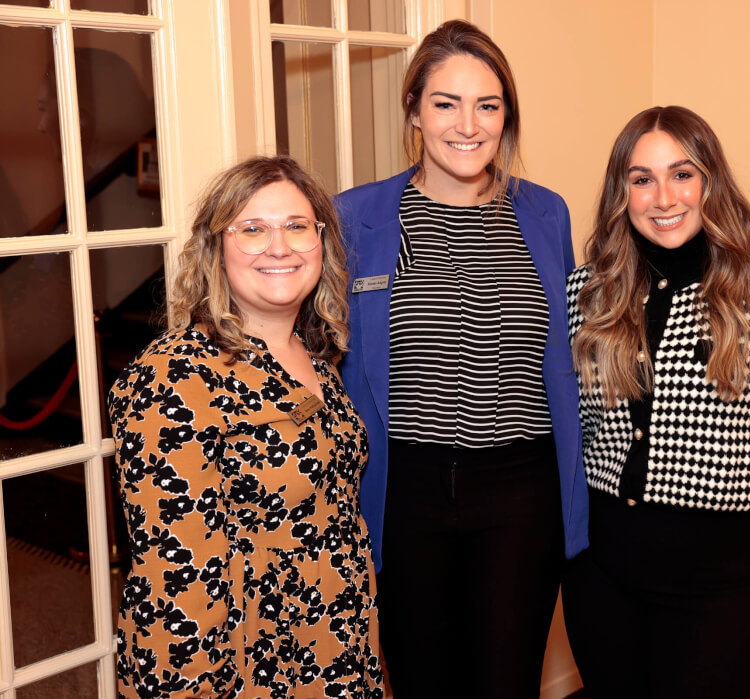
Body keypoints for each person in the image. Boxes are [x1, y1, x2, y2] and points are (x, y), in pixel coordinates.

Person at [334, 19, 587, 699]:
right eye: (446, 103)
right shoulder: (355, 216)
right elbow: (323, 351)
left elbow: (568, 356)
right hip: (403, 490)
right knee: (422, 681)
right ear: (415, 110)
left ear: (507, 116)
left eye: (488, 105)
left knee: (506, 681)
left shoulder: (546, 214)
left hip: (521, 489)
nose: (468, 125)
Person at [562, 106, 750, 698]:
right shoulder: (588, 292)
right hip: (602, 568)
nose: (664, 197)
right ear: (622, 194)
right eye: (642, 179)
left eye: (682, 174)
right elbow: (571, 431)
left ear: (710, 181)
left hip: (722, 576)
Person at [108, 156, 384, 698]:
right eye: (253, 229)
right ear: (216, 248)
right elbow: (175, 578)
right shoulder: (174, 377)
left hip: (337, 645)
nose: (279, 247)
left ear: (321, 242)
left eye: (297, 226)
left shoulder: (318, 356)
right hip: (247, 665)